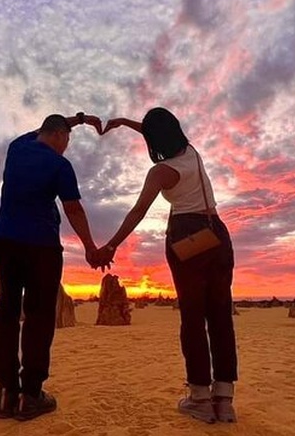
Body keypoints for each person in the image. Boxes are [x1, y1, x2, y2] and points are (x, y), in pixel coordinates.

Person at [96, 107, 238, 423]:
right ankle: (224, 400)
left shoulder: (161, 172)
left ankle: (200, 398)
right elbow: (159, 132)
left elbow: (137, 212)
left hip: (187, 234)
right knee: (220, 317)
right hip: (217, 232)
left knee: (192, 318)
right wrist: (125, 123)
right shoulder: (192, 153)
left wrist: (111, 245)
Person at [0, 112, 105, 421]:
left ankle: (6, 393)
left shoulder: (17, 147)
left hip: (5, 240)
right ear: (59, 136)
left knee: (7, 311)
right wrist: (90, 247)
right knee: (40, 316)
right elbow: (73, 208)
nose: (65, 146)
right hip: (41, 245)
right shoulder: (59, 165)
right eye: (66, 140)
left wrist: (78, 120)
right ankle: (30, 395)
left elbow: (45, 127)